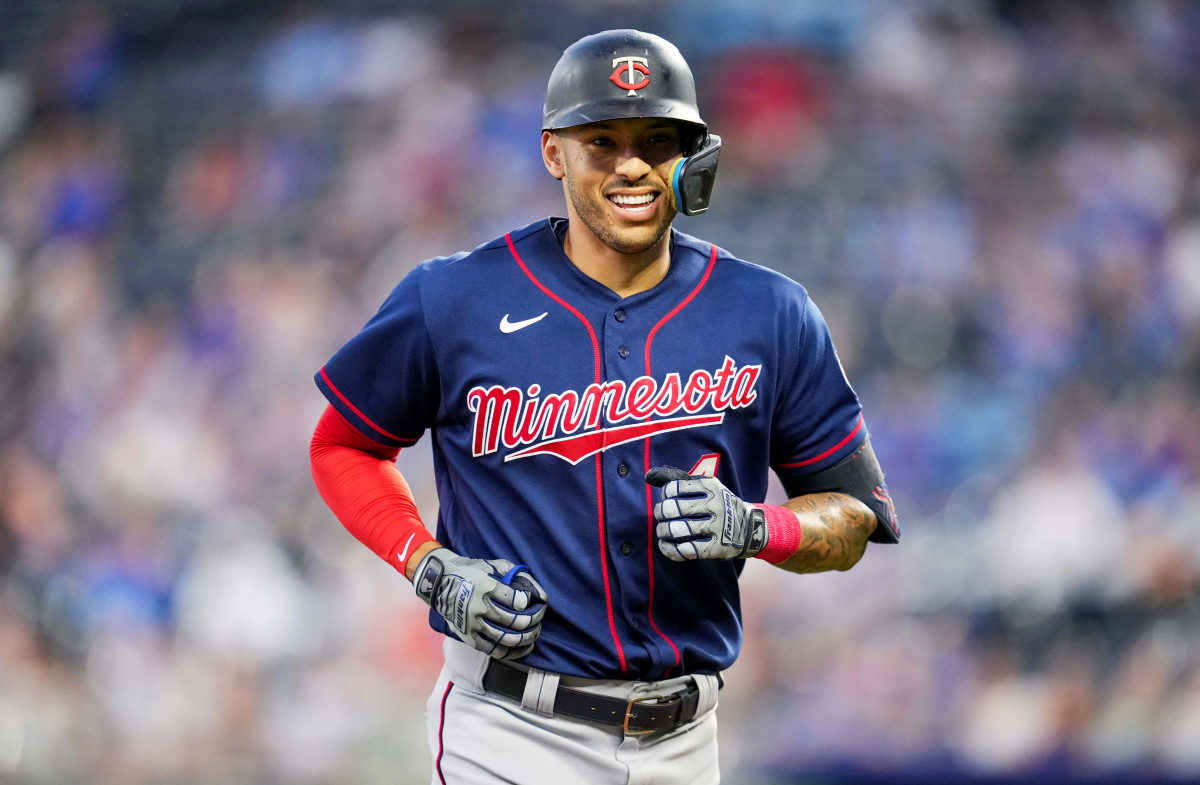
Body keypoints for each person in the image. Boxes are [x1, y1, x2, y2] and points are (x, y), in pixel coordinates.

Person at [309, 28, 900, 784]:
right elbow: (344, 445)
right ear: (554, 152)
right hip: (508, 729)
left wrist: (758, 525)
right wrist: (429, 565)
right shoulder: (454, 297)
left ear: (694, 153)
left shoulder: (771, 312)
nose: (632, 165)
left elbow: (854, 517)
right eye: (603, 141)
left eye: (658, 140)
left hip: (685, 741)